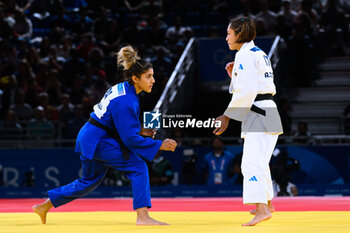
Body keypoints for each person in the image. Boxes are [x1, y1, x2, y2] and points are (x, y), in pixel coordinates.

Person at [32, 45, 177, 226]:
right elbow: (129, 139)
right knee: (138, 166)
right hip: (98, 140)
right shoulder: (127, 100)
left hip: (90, 136)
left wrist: (140, 130)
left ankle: (44, 206)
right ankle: (143, 216)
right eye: (148, 76)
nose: (153, 80)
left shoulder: (124, 89)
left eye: (153, 76)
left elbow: (115, 122)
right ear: (135, 78)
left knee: (88, 181)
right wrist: (158, 145)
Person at [213, 16, 283, 226]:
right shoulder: (257, 53)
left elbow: (248, 90)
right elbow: (252, 85)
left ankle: (262, 209)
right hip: (267, 110)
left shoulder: (245, 55)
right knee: (261, 162)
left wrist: (227, 116)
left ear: (240, 35)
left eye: (229, 33)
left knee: (252, 163)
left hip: (259, 112)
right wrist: (233, 75)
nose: (226, 38)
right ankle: (267, 204)